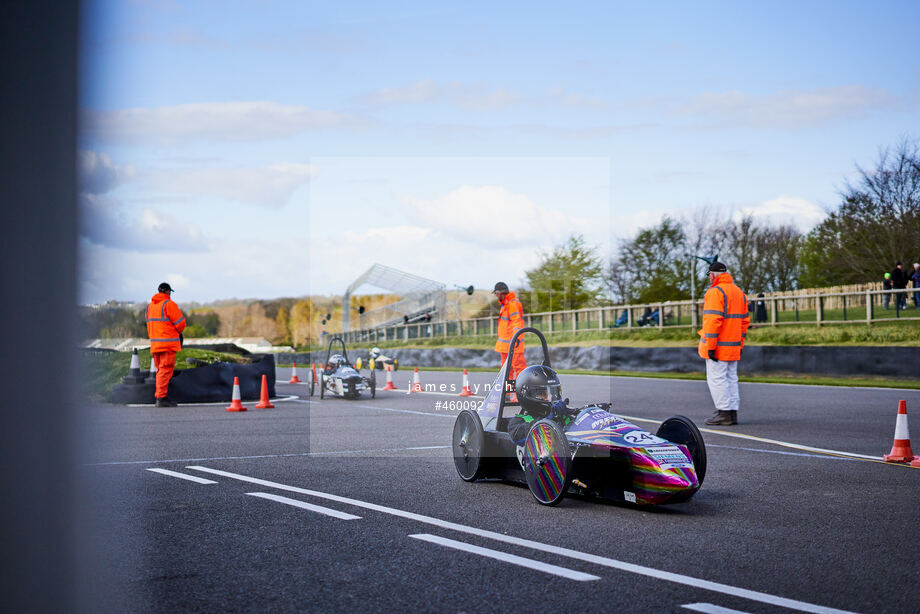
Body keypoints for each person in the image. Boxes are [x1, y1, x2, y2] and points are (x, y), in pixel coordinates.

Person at [698, 261, 750, 426]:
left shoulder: (715, 292)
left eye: (709, 275)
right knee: (731, 378)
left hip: (719, 346)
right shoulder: (738, 292)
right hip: (733, 345)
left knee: (717, 379)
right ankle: (731, 412)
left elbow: (713, 321)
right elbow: (744, 322)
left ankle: (724, 413)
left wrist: (710, 346)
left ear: (712, 275)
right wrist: (740, 344)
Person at [145, 282, 186, 407]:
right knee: (165, 370)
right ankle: (161, 398)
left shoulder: (150, 306)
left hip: (155, 344)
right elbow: (180, 323)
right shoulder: (169, 304)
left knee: (160, 371)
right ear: (168, 292)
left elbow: (149, 324)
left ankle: (161, 396)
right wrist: (177, 333)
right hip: (167, 344)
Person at [507, 365, 564, 444]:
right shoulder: (518, 422)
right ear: (526, 394)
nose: (550, 397)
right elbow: (517, 437)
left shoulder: (558, 415)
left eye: (553, 392)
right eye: (543, 394)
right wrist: (546, 421)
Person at [493, 282, 526, 380]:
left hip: (514, 343)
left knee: (518, 368)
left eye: (496, 293)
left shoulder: (512, 304)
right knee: (506, 369)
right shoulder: (505, 304)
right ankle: (506, 393)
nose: (496, 296)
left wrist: (517, 337)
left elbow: (516, 322)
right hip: (505, 345)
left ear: (500, 293)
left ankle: (519, 394)